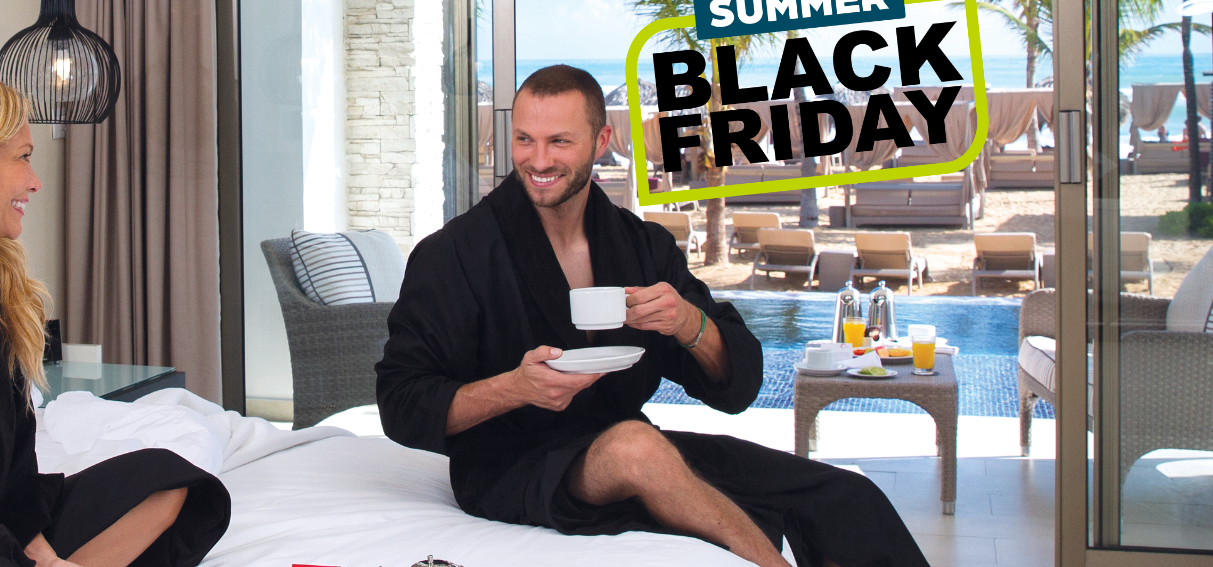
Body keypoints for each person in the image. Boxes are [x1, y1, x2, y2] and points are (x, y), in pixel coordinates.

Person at [377, 64, 929, 567]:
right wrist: (515, 388)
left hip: (626, 447)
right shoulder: (455, 254)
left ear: (601, 142)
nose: (538, 161)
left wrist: (689, 325)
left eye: (559, 141)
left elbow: (737, 384)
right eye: (525, 139)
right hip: (510, 466)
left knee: (844, 499)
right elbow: (400, 402)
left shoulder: (640, 246)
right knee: (637, 449)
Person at [0, 66, 230, 567]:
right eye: (23, 157)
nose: (35, 182)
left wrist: (46, 557)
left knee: (169, 478)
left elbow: (15, 472)